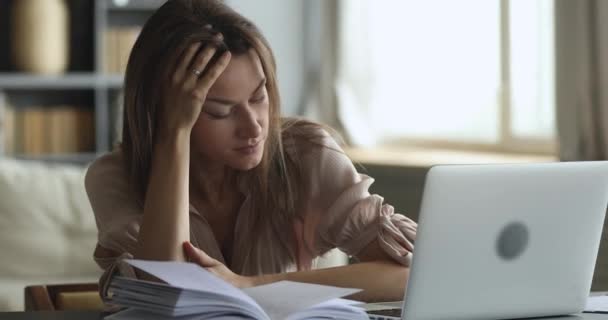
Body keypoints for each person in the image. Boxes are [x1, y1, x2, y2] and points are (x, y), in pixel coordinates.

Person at [85, 0, 417, 303]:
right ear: (166, 111)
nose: (254, 127)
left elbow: (406, 275)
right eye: (220, 111)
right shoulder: (113, 178)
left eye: (259, 97)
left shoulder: (305, 154)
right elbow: (166, 292)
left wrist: (248, 286)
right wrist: (173, 135)